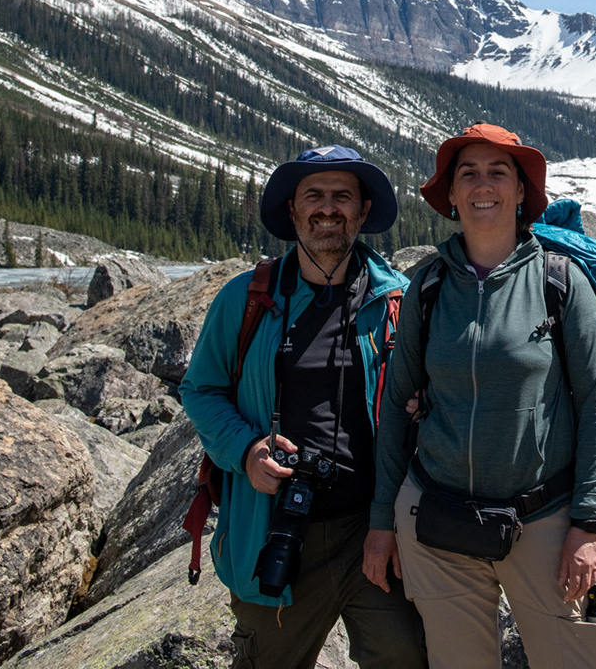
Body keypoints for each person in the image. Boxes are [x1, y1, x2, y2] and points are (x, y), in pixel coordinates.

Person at [363, 124, 596, 669]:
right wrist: (383, 520)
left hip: (545, 522)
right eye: (468, 174)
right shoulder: (427, 287)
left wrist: (588, 524)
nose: (483, 185)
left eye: (498, 172)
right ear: (451, 194)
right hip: (437, 524)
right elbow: (396, 406)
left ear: (521, 190)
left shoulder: (561, 283)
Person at [182, 146, 426, 669]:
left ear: (363, 210)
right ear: (292, 210)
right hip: (273, 527)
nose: (328, 208)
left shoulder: (399, 302)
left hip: (374, 531)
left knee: (407, 655)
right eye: (313, 195)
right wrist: (246, 450)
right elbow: (200, 390)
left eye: (343, 196)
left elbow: (429, 399)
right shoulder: (246, 299)